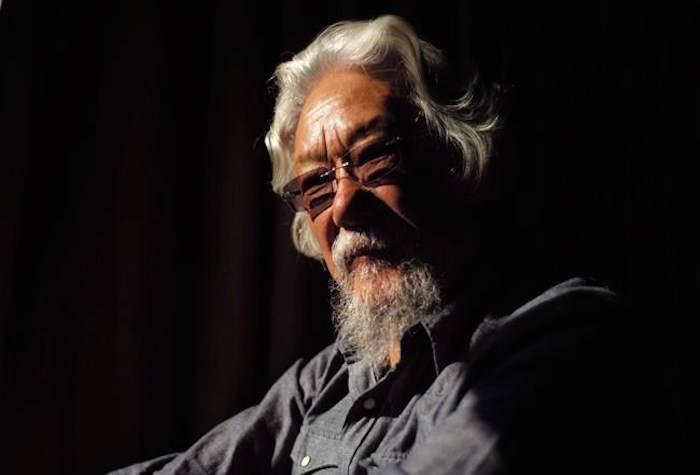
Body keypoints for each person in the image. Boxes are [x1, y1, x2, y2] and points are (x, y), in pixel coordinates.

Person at [109, 15, 641, 475]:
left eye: (375, 158)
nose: (342, 206)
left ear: (454, 160)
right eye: (317, 185)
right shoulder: (327, 377)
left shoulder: (557, 333)